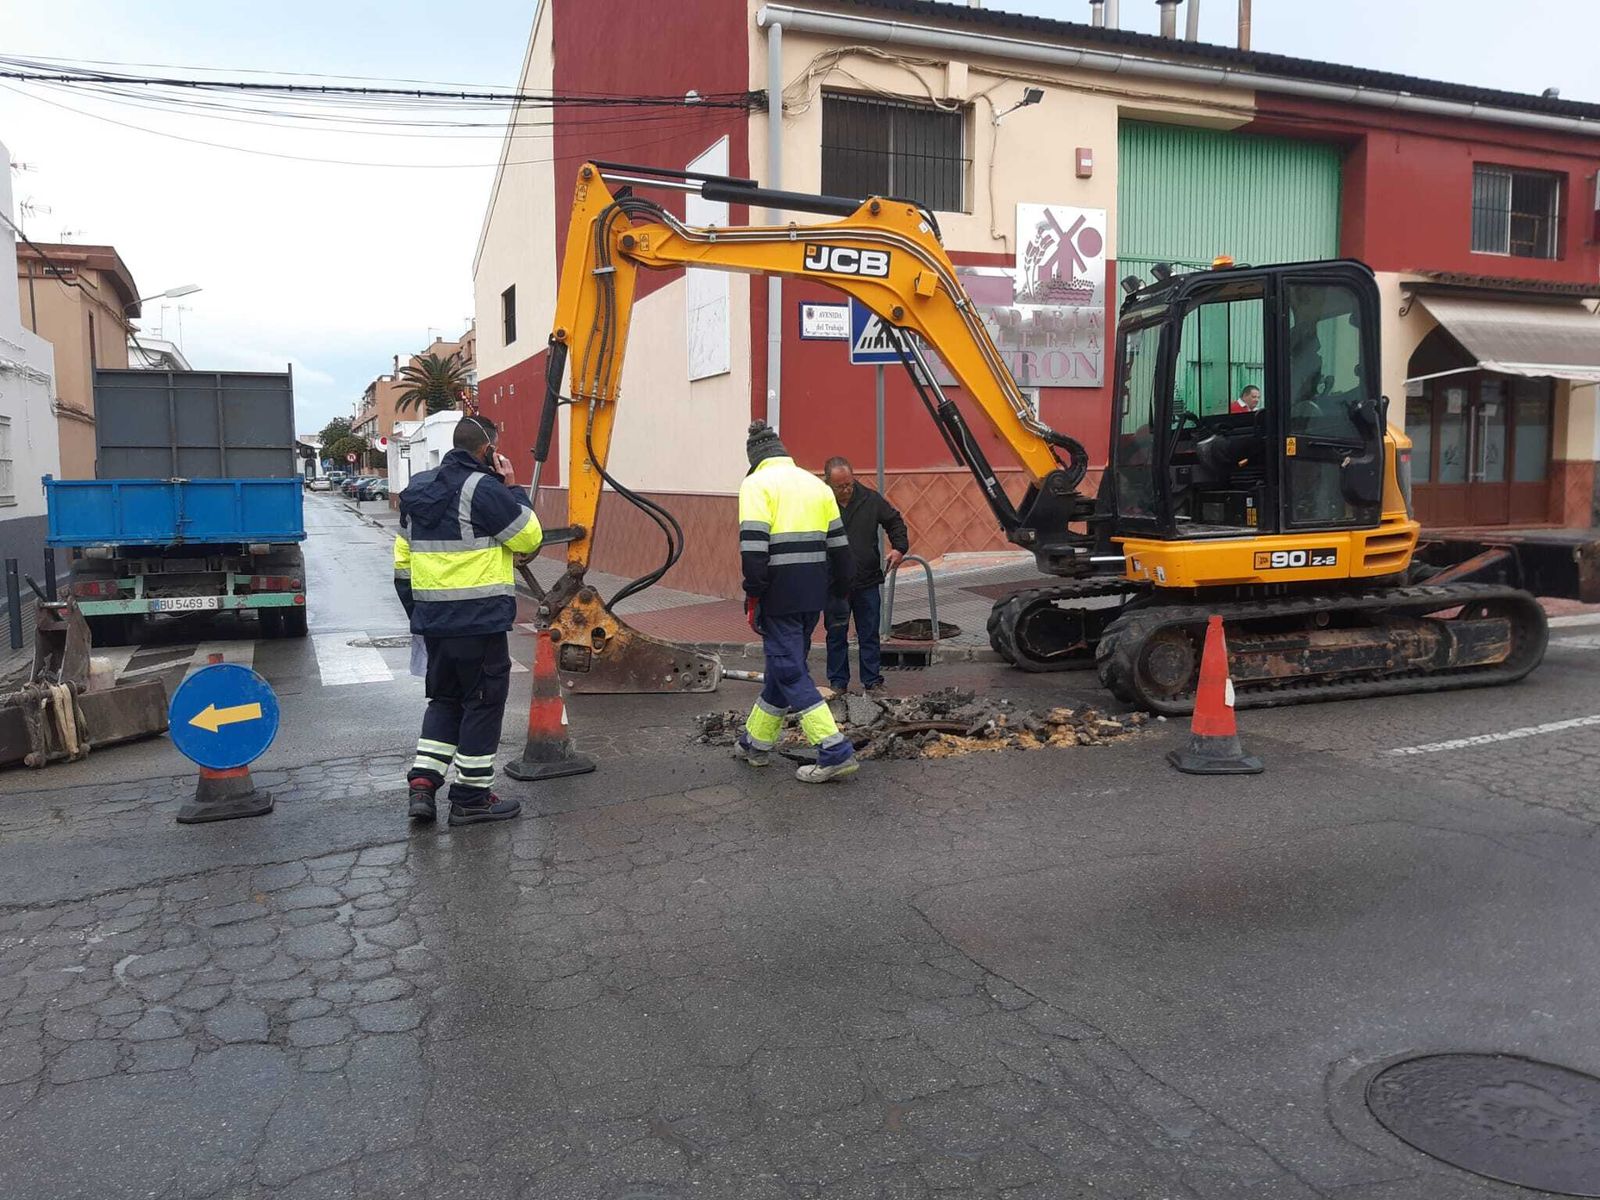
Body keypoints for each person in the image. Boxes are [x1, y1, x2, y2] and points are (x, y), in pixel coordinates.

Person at [393, 416, 543, 826]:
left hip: (435, 623)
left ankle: (423, 785)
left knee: (444, 700)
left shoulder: (418, 491)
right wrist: (513, 487)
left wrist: (421, 615)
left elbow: (402, 565)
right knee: (482, 703)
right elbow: (529, 538)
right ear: (488, 450)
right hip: (478, 623)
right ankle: (471, 797)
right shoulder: (485, 489)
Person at [735, 421, 860, 784]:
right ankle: (754, 743)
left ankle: (833, 748)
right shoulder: (815, 484)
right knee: (782, 668)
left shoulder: (756, 484)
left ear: (755, 459)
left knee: (789, 669)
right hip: (813, 593)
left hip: (778, 593)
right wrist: (839, 592)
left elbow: (754, 548)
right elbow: (841, 548)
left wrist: (753, 592)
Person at [822, 457, 909, 695]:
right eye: (840, 486)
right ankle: (838, 683)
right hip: (835, 583)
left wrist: (899, 548)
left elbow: (894, 521)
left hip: (867, 579)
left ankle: (872, 682)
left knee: (869, 633)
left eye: (849, 484)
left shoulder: (870, 499)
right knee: (836, 633)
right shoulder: (820, 504)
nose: (846, 490)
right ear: (827, 482)